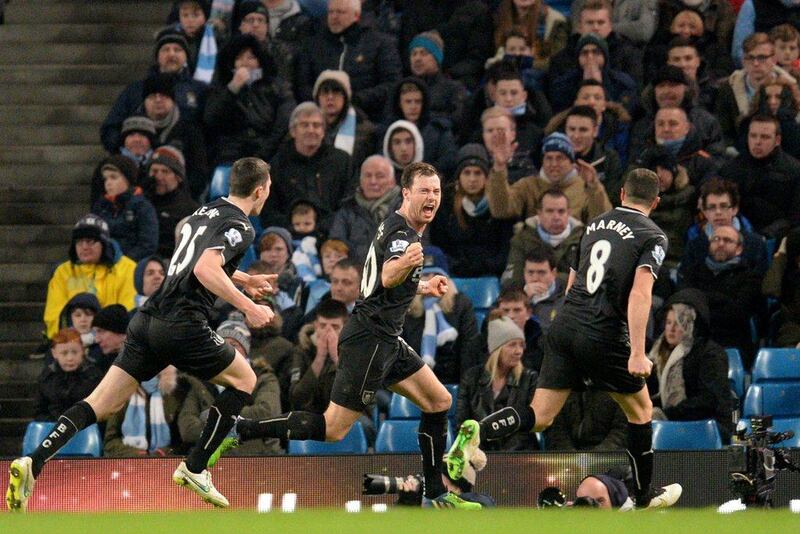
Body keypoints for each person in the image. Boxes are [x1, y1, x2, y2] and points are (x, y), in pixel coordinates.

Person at [6, 158, 276, 511]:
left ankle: (33, 462)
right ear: (260, 190)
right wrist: (249, 307)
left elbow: (192, 259)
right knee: (245, 379)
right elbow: (205, 267)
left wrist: (245, 278)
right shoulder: (242, 225)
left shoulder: (205, 212)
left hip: (148, 318)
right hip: (183, 323)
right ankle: (196, 468)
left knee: (101, 403)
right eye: (268, 188)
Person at [215, 162, 480, 509]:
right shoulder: (405, 236)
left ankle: (437, 491)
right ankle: (244, 429)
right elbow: (387, 275)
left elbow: (379, 285)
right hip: (369, 341)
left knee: (439, 402)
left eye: (436, 191)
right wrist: (407, 264)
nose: (431, 197)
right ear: (406, 193)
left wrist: (423, 283)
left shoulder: (399, 226)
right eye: (424, 191)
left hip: (386, 338)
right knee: (334, 429)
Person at [449, 169, 683, 510]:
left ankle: (478, 432)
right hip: (603, 331)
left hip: (565, 323)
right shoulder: (653, 235)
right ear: (656, 202)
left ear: (621, 195)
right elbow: (640, 293)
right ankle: (644, 496)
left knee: (541, 415)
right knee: (642, 411)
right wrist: (636, 352)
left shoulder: (594, 225)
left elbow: (572, 285)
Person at [179, 316, 283, 456]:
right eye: (221, 344)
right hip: (210, 460)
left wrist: (214, 417)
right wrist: (234, 423)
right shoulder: (201, 382)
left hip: (256, 458)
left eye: (234, 345)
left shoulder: (264, 378)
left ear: (246, 350)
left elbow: (266, 413)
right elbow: (188, 430)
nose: (227, 350)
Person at [647, 289, 735, 442]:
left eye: (679, 323)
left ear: (692, 325)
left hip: (710, 426)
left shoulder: (711, 354)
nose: (671, 329)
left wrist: (667, 414)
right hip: (672, 423)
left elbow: (709, 400)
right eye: (668, 322)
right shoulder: (658, 353)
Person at [677, 225, 764, 366]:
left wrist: (703, 300)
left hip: (733, 343)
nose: (721, 244)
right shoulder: (693, 271)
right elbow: (684, 304)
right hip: (695, 339)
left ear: (739, 249)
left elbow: (737, 313)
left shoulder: (750, 277)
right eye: (716, 239)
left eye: (727, 240)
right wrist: (723, 299)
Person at [486, 130, 612, 224]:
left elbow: (603, 223)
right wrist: (499, 167)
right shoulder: (528, 185)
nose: (554, 164)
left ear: (571, 162)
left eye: (560, 158)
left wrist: (594, 187)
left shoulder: (584, 188)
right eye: (549, 158)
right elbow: (501, 210)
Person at [43, 214, 137, 340]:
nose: (84, 247)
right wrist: (70, 339)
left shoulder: (128, 269)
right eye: (79, 242)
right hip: (71, 343)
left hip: (113, 343)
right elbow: (53, 316)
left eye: (90, 241)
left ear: (104, 243)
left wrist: (97, 336)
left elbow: (129, 311)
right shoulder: (63, 272)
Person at [430, 144, 514, 278]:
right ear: (459, 176)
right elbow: (439, 246)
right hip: (454, 276)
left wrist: (487, 266)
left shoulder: (498, 205)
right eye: (467, 172)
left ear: (486, 176)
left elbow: (505, 249)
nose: (472, 179)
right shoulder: (445, 205)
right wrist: (457, 266)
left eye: (478, 173)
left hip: (492, 276)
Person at [456, 317, 538, 451]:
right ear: (496, 349)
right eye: (512, 345)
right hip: (480, 454)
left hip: (519, 455)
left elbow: (528, 425)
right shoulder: (471, 378)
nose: (519, 351)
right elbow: (463, 424)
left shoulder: (530, 379)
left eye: (521, 345)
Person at [718, 115, 800, 238]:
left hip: (777, 236)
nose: (757, 142)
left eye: (765, 137)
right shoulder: (731, 168)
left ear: (777, 140)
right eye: (753, 136)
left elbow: (794, 217)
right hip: (736, 233)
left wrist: (766, 235)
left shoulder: (794, 170)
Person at [502, 188, 583, 287]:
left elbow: (587, 279)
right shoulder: (523, 239)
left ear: (569, 213)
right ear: (539, 213)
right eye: (550, 211)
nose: (556, 217)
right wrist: (525, 295)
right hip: (532, 298)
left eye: (561, 211)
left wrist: (551, 279)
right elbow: (511, 280)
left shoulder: (583, 239)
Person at [329, 156, 400, 264]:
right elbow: (336, 244)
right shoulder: (346, 211)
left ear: (392, 181)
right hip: (355, 275)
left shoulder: (407, 210)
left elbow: (419, 245)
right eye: (368, 176)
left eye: (380, 176)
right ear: (360, 181)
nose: (373, 181)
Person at [103, 366, 185, 457]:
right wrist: (135, 453)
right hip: (128, 462)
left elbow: (182, 439)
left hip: (165, 462)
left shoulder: (174, 395)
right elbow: (109, 442)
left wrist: (164, 452)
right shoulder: (122, 395)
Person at [92, 155, 159, 261]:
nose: (108, 183)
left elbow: (148, 245)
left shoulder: (143, 207)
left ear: (128, 180)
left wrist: (122, 262)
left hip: (131, 266)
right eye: (105, 179)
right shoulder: (100, 206)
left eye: (113, 177)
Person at [34, 329, 103, 421]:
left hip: (86, 426)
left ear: (83, 351)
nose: (70, 358)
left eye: (74, 352)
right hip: (53, 426)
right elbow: (39, 411)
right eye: (64, 353)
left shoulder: (94, 376)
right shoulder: (47, 377)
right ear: (54, 353)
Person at [545, 389, 627, 451]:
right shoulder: (563, 385)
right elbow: (556, 430)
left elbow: (622, 431)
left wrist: (592, 460)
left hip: (611, 458)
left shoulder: (619, 387)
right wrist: (573, 460)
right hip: (569, 460)